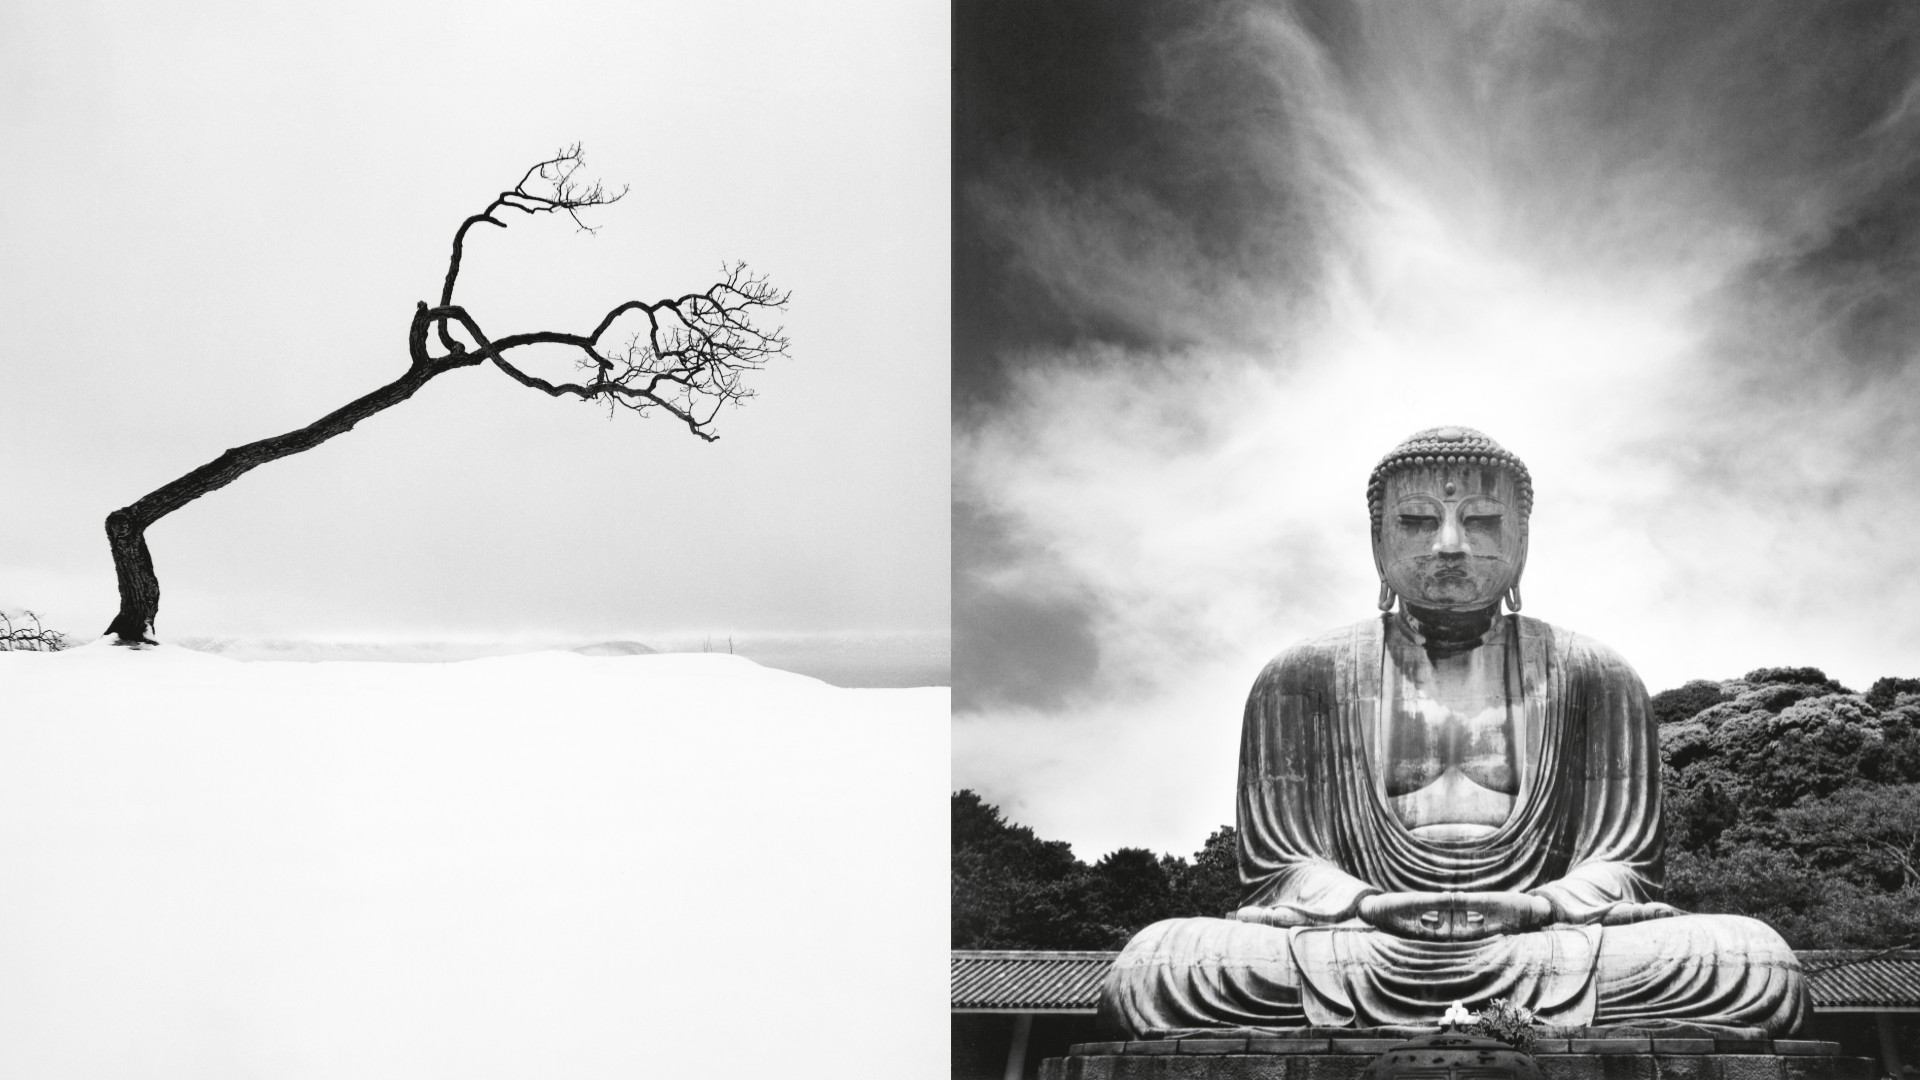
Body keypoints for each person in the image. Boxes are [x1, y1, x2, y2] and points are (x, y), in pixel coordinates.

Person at [1097, 427, 1806, 1037]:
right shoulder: (1301, 677)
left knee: (1751, 963)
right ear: (1377, 541)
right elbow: (1282, 867)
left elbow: (1623, 865)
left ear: (1522, 539)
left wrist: (1540, 905)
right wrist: (1368, 904)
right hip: (1360, 942)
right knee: (1158, 966)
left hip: (1545, 943)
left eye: (1482, 522)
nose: (1448, 545)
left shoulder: (1595, 674)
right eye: (1415, 521)